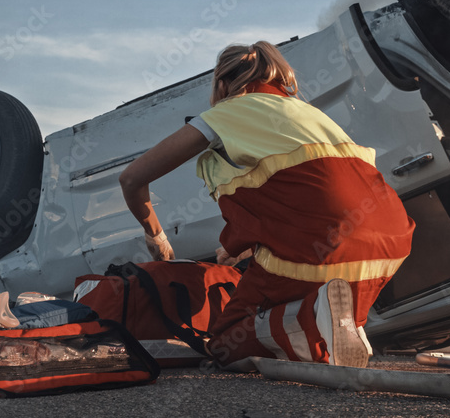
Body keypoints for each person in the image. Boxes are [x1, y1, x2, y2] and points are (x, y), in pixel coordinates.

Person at [119, 41, 415, 369]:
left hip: (318, 246)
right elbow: (310, 190)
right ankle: (338, 325)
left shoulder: (223, 115)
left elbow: (132, 179)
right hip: (390, 242)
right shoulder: (308, 112)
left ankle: (311, 323)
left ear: (222, 84)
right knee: (324, 301)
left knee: (224, 343)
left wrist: (156, 237)